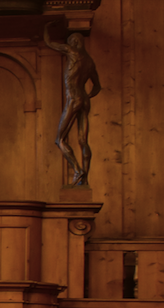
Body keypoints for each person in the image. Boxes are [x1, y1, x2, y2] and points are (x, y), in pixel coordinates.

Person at [44, 22, 102, 187]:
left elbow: (49, 43)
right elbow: (97, 86)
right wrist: (86, 94)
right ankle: (84, 180)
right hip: (84, 99)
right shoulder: (90, 61)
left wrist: (46, 28)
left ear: (74, 43)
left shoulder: (73, 52)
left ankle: (77, 170)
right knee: (83, 140)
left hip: (73, 98)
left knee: (59, 139)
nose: (68, 45)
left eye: (70, 42)